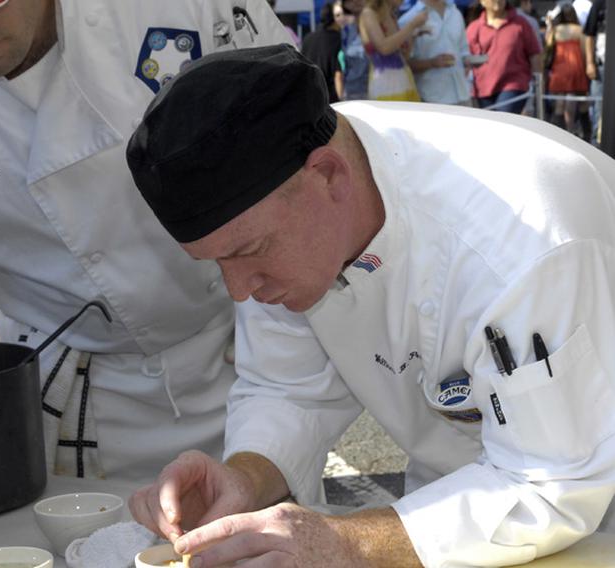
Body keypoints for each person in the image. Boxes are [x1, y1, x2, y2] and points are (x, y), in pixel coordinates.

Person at [125, 44, 615, 567]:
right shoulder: (285, 197)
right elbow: (290, 387)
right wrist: (244, 476)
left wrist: (346, 541)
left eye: (247, 252)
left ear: (330, 176)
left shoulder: (518, 241)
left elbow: (553, 483)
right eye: (215, 263)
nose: (239, 289)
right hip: (450, 518)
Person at [0, 0, 292, 484]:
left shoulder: (191, 7)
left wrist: (285, 346)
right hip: (76, 387)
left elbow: (301, 181)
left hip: (243, 349)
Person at [467, 0, 541, 113]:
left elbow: (535, 53)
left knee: (503, 122)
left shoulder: (521, 23)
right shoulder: (473, 28)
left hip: (514, 85)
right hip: (482, 88)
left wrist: (538, 82)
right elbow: (466, 57)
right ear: (482, 2)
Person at [399, 0, 472, 104]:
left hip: (463, 94)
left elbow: (463, 49)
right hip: (432, 99)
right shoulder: (408, 20)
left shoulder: (455, 13)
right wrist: (431, 63)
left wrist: (468, 61)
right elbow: (403, 65)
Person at [358, 0, 428, 100]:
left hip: (403, 80)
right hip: (385, 84)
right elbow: (384, 48)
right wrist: (412, 25)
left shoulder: (391, 15)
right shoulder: (369, 13)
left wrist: (413, 36)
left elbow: (404, 55)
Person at [545, 3, 591, 137]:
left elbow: (548, 47)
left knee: (559, 100)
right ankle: (575, 132)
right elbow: (583, 50)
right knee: (578, 99)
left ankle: (558, 134)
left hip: (559, 66)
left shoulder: (555, 30)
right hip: (576, 66)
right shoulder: (579, 29)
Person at [301, 2, 345, 102]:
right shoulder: (338, 39)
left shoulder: (308, 38)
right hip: (330, 97)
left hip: (309, 95)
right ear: (334, 19)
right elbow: (338, 74)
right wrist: (342, 100)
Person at [583, 0, 605, 144]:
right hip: (601, 68)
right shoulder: (600, 4)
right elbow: (589, 35)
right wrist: (590, 63)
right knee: (598, 114)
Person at [340, 0, 371, 100]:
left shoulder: (378, 26)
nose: (356, 1)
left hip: (377, 85)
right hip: (353, 90)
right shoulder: (345, 31)